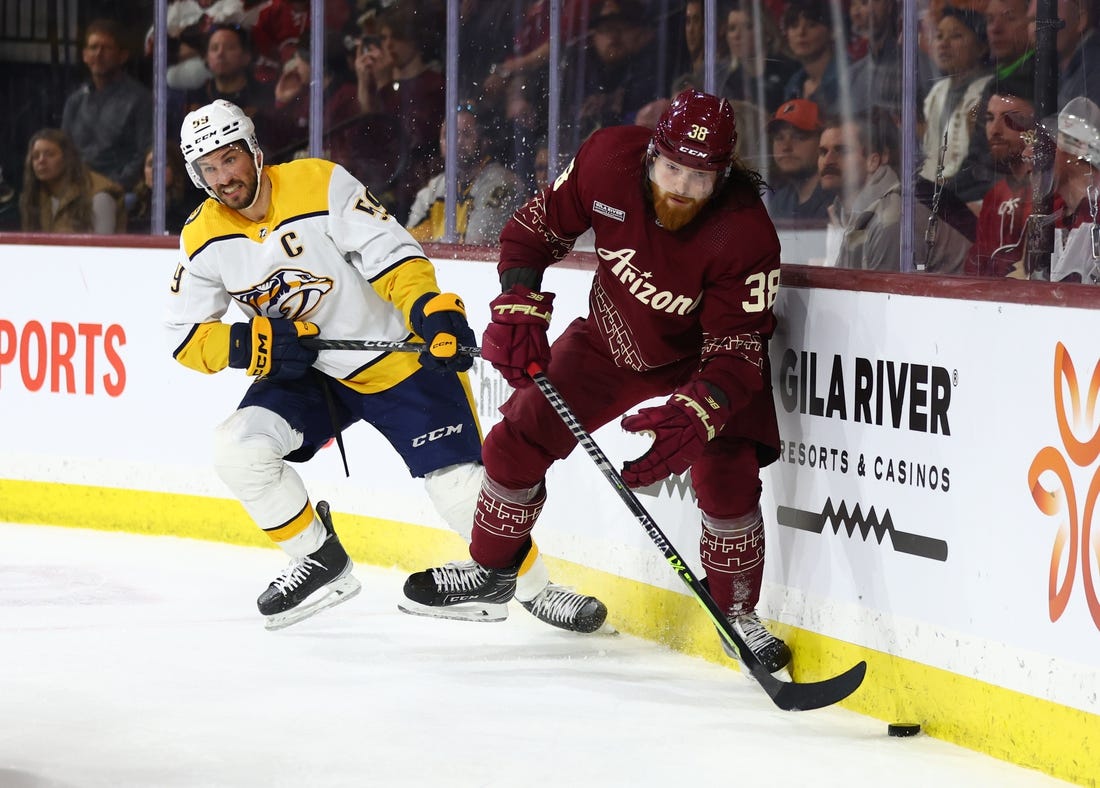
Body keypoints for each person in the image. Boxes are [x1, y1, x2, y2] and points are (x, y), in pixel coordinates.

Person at [166, 99, 605, 632]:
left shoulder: (318, 182)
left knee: (461, 490)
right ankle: (318, 558)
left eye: (229, 159)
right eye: (207, 168)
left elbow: (392, 255)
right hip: (310, 374)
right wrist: (257, 346)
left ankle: (536, 591)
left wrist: (430, 313)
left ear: (255, 152)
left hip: (397, 357)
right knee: (236, 448)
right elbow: (186, 336)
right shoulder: (202, 234)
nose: (223, 177)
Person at [401, 89, 794, 675]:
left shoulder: (745, 234)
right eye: (672, 168)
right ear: (651, 154)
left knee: (727, 474)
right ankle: (491, 571)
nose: (682, 187)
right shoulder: (606, 159)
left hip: (704, 361)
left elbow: (737, 351)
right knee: (515, 440)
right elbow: (533, 231)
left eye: (701, 177)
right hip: (613, 336)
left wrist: (700, 412)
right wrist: (518, 304)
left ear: (725, 175)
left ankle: (736, 614)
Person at [821, 112, 969, 272]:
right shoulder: (845, 214)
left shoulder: (893, 218)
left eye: (841, 150)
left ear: (873, 161)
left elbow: (885, 296)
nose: (828, 160)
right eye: (823, 152)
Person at [406, 104, 526, 244]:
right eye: (448, 135)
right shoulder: (436, 187)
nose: (457, 142)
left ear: (484, 141)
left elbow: (475, 245)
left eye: (467, 134)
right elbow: (409, 243)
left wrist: (434, 244)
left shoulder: (501, 183)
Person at [61, 18, 153, 192]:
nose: (98, 53)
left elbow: (145, 151)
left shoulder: (140, 99)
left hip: (118, 190)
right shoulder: (75, 101)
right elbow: (64, 149)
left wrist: (117, 185)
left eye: (106, 48)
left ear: (122, 56)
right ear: (85, 56)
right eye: (93, 47)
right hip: (75, 189)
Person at [965, 82, 1036, 277]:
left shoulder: (1052, 194)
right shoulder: (994, 197)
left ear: (1035, 127)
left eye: (1010, 119)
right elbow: (976, 270)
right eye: (990, 118)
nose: (995, 130)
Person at [919, 6, 992, 183]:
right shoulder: (938, 90)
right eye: (939, 36)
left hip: (969, 192)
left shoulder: (989, 90)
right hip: (932, 191)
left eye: (956, 36)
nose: (943, 44)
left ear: (981, 47)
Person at [19, 127, 126, 234]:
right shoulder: (33, 197)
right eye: (35, 156)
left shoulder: (99, 197)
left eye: (50, 154)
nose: (41, 161)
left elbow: (103, 247)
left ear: (67, 158)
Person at [766, 97, 830, 223]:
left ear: (822, 141)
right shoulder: (780, 200)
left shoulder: (836, 198)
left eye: (799, 137)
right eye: (779, 138)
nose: (786, 147)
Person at [128, 145, 202, 234]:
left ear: (175, 169)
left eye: (163, 164)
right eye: (150, 164)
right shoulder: (135, 206)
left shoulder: (193, 206)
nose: (155, 169)